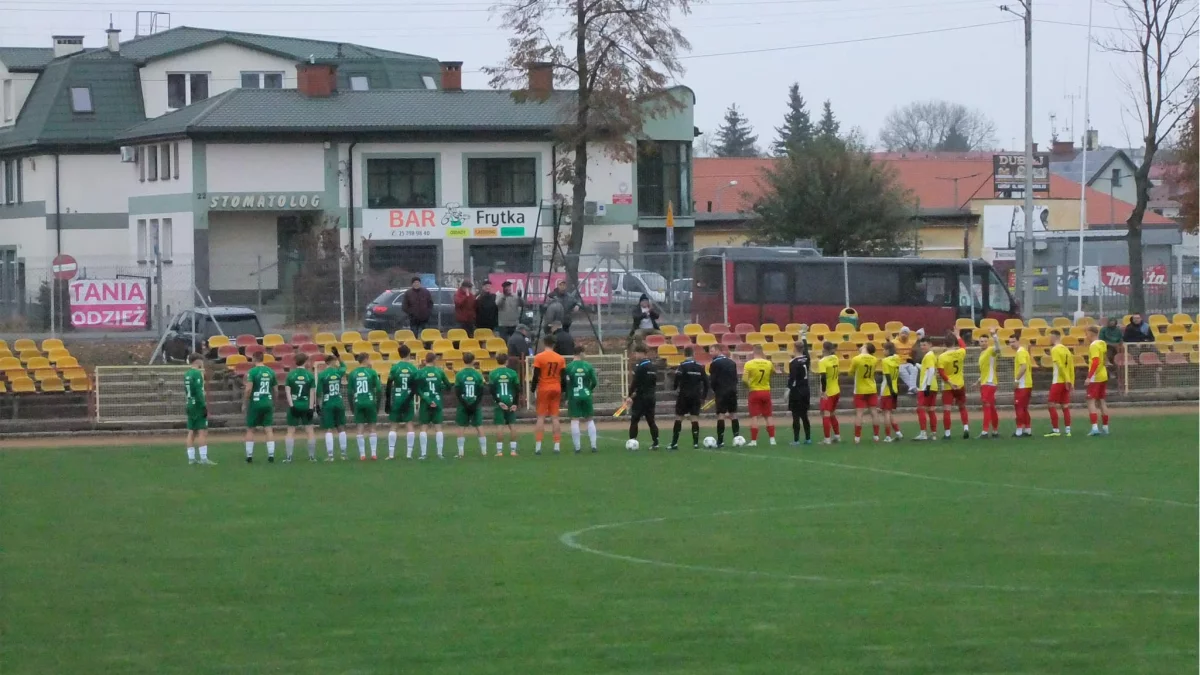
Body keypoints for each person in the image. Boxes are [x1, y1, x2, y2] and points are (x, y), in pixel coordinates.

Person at [531, 334, 567, 454]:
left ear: (544, 343)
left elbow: (536, 375)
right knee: (555, 417)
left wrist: (532, 389)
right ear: (554, 344)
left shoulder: (539, 357)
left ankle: (538, 446)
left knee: (541, 417)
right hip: (556, 387)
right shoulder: (560, 358)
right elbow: (563, 377)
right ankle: (556, 446)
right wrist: (564, 391)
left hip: (544, 388)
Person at [384, 344, 420, 459]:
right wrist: (409, 399)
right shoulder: (413, 368)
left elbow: (389, 384)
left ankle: (391, 454)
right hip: (407, 398)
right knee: (409, 424)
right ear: (409, 354)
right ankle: (409, 454)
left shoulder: (395, 368)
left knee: (394, 425)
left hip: (397, 398)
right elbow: (415, 386)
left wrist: (387, 401)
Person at [670, 346, 709, 450]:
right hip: (696, 396)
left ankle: (674, 443)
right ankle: (695, 443)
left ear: (684, 354)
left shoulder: (682, 366)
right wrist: (703, 397)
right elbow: (706, 383)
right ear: (693, 354)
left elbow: (677, 379)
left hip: (684, 395)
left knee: (679, 417)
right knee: (694, 418)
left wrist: (674, 388)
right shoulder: (700, 367)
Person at [243, 351, 278, 463]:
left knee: (250, 429)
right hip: (267, 401)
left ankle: (249, 456)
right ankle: (271, 455)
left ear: (254, 358)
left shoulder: (252, 372)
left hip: (256, 402)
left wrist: (245, 402)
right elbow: (276, 390)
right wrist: (273, 401)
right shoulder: (271, 371)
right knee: (268, 429)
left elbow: (248, 389)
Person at [415, 352, 451, 459]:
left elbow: (417, 388)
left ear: (425, 360)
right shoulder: (439, 372)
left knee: (424, 427)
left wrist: (426, 398)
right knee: (438, 427)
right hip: (438, 400)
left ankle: (423, 454)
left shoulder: (420, 372)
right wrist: (439, 392)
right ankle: (439, 453)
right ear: (434, 360)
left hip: (425, 402)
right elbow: (448, 386)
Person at [283, 352, 318, 462]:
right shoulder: (310, 375)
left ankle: (289, 457)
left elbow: (287, 391)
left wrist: (291, 405)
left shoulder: (290, 375)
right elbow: (312, 393)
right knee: (309, 430)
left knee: (290, 431)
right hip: (306, 404)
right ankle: (311, 457)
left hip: (294, 403)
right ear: (306, 361)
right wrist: (311, 407)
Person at [624, 344, 659, 450]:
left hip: (641, 397)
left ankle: (632, 441)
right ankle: (656, 442)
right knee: (651, 420)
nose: (635, 355)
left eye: (636, 353)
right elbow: (653, 382)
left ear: (641, 353)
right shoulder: (653, 366)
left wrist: (630, 395)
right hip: (651, 396)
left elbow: (635, 382)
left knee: (634, 419)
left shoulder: (640, 366)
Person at [348, 352, 382, 460]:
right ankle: (373, 453)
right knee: (372, 427)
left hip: (358, 402)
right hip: (370, 401)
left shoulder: (353, 373)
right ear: (366, 359)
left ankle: (362, 454)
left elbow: (349, 392)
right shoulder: (372, 372)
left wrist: (351, 406)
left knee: (360, 428)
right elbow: (379, 389)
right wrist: (377, 404)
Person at [937, 331, 970, 439]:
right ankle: (966, 427)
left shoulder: (942, 356)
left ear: (944, 343)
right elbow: (964, 346)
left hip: (948, 386)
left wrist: (949, 382)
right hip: (960, 384)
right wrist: (958, 335)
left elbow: (941, 373)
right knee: (962, 407)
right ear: (954, 343)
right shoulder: (960, 352)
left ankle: (947, 434)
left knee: (947, 409)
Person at [453, 352, 488, 458]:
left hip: (463, 404)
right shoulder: (478, 374)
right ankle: (484, 451)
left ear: (463, 360)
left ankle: (461, 452)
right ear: (473, 360)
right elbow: (481, 391)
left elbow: (457, 391)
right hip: (475, 403)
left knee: (461, 427)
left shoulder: (459, 374)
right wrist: (475, 403)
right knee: (479, 426)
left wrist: (464, 403)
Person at [317, 351, 349, 460]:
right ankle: (343, 454)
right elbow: (344, 366)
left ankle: (330, 455)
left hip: (328, 402)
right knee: (341, 427)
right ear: (332, 361)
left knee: (329, 429)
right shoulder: (338, 372)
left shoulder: (322, 374)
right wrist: (339, 357)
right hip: (338, 401)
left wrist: (317, 403)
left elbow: (318, 392)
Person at [742, 345, 776, 446]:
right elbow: (773, 372)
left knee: (754, 417)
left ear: (754, 352)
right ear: (762, 352)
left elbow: (744, 379)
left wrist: (749, 386)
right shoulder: (768, 363)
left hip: (755, 391)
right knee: (768, 416)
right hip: (766, 391)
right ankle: (772, 439)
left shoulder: (749, 364)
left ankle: (754, 441)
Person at [184, 353, 214, 465]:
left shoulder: (187, 374)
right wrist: (203, 406)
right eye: (201, 361)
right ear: (197, 361)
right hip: (197, 405)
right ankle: (203, 458)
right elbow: (199, 392)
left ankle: (191, 458)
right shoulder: (196, 374)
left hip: (189, 403)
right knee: (202, 431)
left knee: (191, 431)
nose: (202, 363)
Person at [566, 353, 600, 453]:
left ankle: (577, 448)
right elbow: (594, 381)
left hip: (574, 396)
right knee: (589, 419)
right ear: (581, 353)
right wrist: (589, 390)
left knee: (575, 420)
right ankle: (593, 446)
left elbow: (566, 383)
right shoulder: (588, 366)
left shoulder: (569, 367)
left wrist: (567, 397)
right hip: (586, 394)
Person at [488, 354, 521, 457]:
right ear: (506, 361)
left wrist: (499, 402)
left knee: (499, 426)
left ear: (497, 361)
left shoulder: (493, 373)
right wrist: (515, 403)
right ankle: (513, 451)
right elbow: (517, 389)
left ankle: (499, 451)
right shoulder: (512, 373)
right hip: (510, 400)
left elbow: (492, 390)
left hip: (499, 401)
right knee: (512, 425)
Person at [709, 344, 740, 447]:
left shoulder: (715, 363)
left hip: (721, 391)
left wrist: (715, 389)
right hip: (732, 391)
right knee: (733, 414)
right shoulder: (731, 362)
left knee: (721, 415)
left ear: (718, 351)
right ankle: (737, 438)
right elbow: (735, 378)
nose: (710, 353)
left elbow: (713, 380)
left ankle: (720, 440)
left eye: (712, 351)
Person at [850, 343, 881, 444]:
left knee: (859, 413)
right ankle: (876, 436)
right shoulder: (874, 359)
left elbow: (850, 372)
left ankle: (857, 438)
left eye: (863, 345)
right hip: (872, 388)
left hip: (860, 389)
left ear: (866, 348)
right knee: (874, 412)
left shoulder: (856, 359)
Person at [1046, 329, 1075, 437]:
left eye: (1050, 337)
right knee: (1065, 406)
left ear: (1054, 337)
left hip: (1058, 381)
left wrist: (1067, 379)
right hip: (1066, 381)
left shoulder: (1055, 349)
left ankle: (1055, 430)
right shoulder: (1066, 350)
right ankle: (1068, 430)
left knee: (1050, 404)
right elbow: (1071, 367)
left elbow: (1060, 366)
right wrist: (1071, 381)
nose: (1049, 339)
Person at [1084, 325, 1112, 436]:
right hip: (1103, 374)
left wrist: (1089, 377)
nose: (1086, 336)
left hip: (1096, 377)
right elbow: (1104, 359)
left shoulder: (1093, 346)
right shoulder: (1102, 343)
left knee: (1090, 401)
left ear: (1091, 333)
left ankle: (1095, 428)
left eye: (1087, 333)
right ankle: (1105, 428)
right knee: (1101, 400)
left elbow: (1095, 361)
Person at [975, 328, 1002, 439]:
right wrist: (978, 381)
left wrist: (994, 335)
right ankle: (995, 431)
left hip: (989, 383)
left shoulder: (991, 350)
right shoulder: (982, 353)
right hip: (985, 382)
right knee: (991, 407)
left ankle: (985, 431)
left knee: (986, 406)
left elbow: (998, 349)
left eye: (985, 341)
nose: (983, 343)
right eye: (981, 341)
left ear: (988, 342)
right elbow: (984, 370)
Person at [912, 336, 940, 441]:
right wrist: (917, 365)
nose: (922, 347)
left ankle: (923, 433)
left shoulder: (928, 356)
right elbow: (928, 369)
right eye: (921, 345)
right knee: (931, 410)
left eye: (925, 345)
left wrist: (927, 386)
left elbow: (932, 370)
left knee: (920, 409)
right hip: (934, 386)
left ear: (930, 345)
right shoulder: (932, 356)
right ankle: (933, 434)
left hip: (925, 387)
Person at [786, 336, 812, 445]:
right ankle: (808, 438)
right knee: (805, 415)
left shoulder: (793, 362)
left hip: (797, 391)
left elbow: (792, 378)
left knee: (795, 415)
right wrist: (804, 337)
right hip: (806, 390)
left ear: (794, 349)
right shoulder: (806, 359)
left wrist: (787, 390)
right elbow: (807, 352)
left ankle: (796, 440)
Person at [815, 341, 841, 444]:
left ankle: (827, 439)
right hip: (836, 390)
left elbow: (823, 377)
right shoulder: (836, 358)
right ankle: (837, 436)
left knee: (825, 414)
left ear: (824, 349)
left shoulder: (822, 361)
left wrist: (823, 391)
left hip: (829, 392)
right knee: (832, 413)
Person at [1009, 333, 1033, 437]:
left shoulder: (1020, 352)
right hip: (1027, 384)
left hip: (1022, 385)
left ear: (1018, 341)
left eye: (1013, 341)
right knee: (1024, 408)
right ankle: (1028, 429)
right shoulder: (1023, 351)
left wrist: (1016, 379)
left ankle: (1019, 430)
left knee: (1019, 407)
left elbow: (1023, 367)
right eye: (1010, 342)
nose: (1011, 344)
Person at [878, 342, 903, 442]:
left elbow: (887, 377)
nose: (883, 351)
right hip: (894, 388)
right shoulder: (897, 358)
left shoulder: (885, 361)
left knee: (886, 413)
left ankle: (888, 436)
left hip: (887, 389)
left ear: (888, 350)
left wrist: (890, 389)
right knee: (890, 412)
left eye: (884, 349)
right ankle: (898, 432)